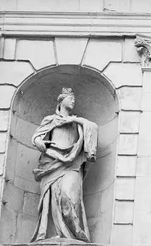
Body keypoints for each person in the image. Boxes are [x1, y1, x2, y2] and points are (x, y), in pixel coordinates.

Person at [31, 88, 98, 243]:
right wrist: (40, 143)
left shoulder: (78, 123)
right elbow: (36, 137)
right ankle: (56, 233)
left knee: (69, 196)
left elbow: (93, 128)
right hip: (52, 163)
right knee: (54, 198)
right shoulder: (50, 119)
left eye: (73, 98)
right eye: (70, 98)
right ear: (61, 101)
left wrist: (74, 120)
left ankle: (76, 235)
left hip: (72, 164)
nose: (73, 101)